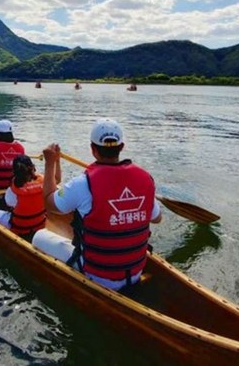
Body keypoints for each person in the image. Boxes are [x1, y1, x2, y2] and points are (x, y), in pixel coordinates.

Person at [33, 118, 162, 291]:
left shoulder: (83, 183)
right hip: (135, 272)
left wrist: (50, 163)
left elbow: (49, 203)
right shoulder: (145, 179)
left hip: (100, 276)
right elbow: (157, 218)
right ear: (122, 147)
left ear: (93, 149)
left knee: (38, 236)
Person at [0, 154, 61, 238]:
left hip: (19, 227)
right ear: (32, 167)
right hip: (38, 225)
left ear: (14, 171)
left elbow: (9, 203)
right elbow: (57, 179)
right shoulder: (44, 183)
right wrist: (57, 160)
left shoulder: (14, 189)